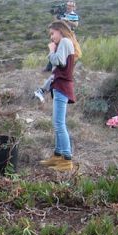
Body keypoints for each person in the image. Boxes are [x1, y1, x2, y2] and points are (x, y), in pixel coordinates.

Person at [39, 20, 81, 172]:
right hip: (60, 86)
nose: (51, 37)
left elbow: (59, 61)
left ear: (60, 30)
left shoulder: (64, 41)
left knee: (59, 124)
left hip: (62, 87)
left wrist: (51, 50)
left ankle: (67, 159)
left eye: (52, 33)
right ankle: (58, 156)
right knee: (57, 123)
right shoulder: (66, 42)